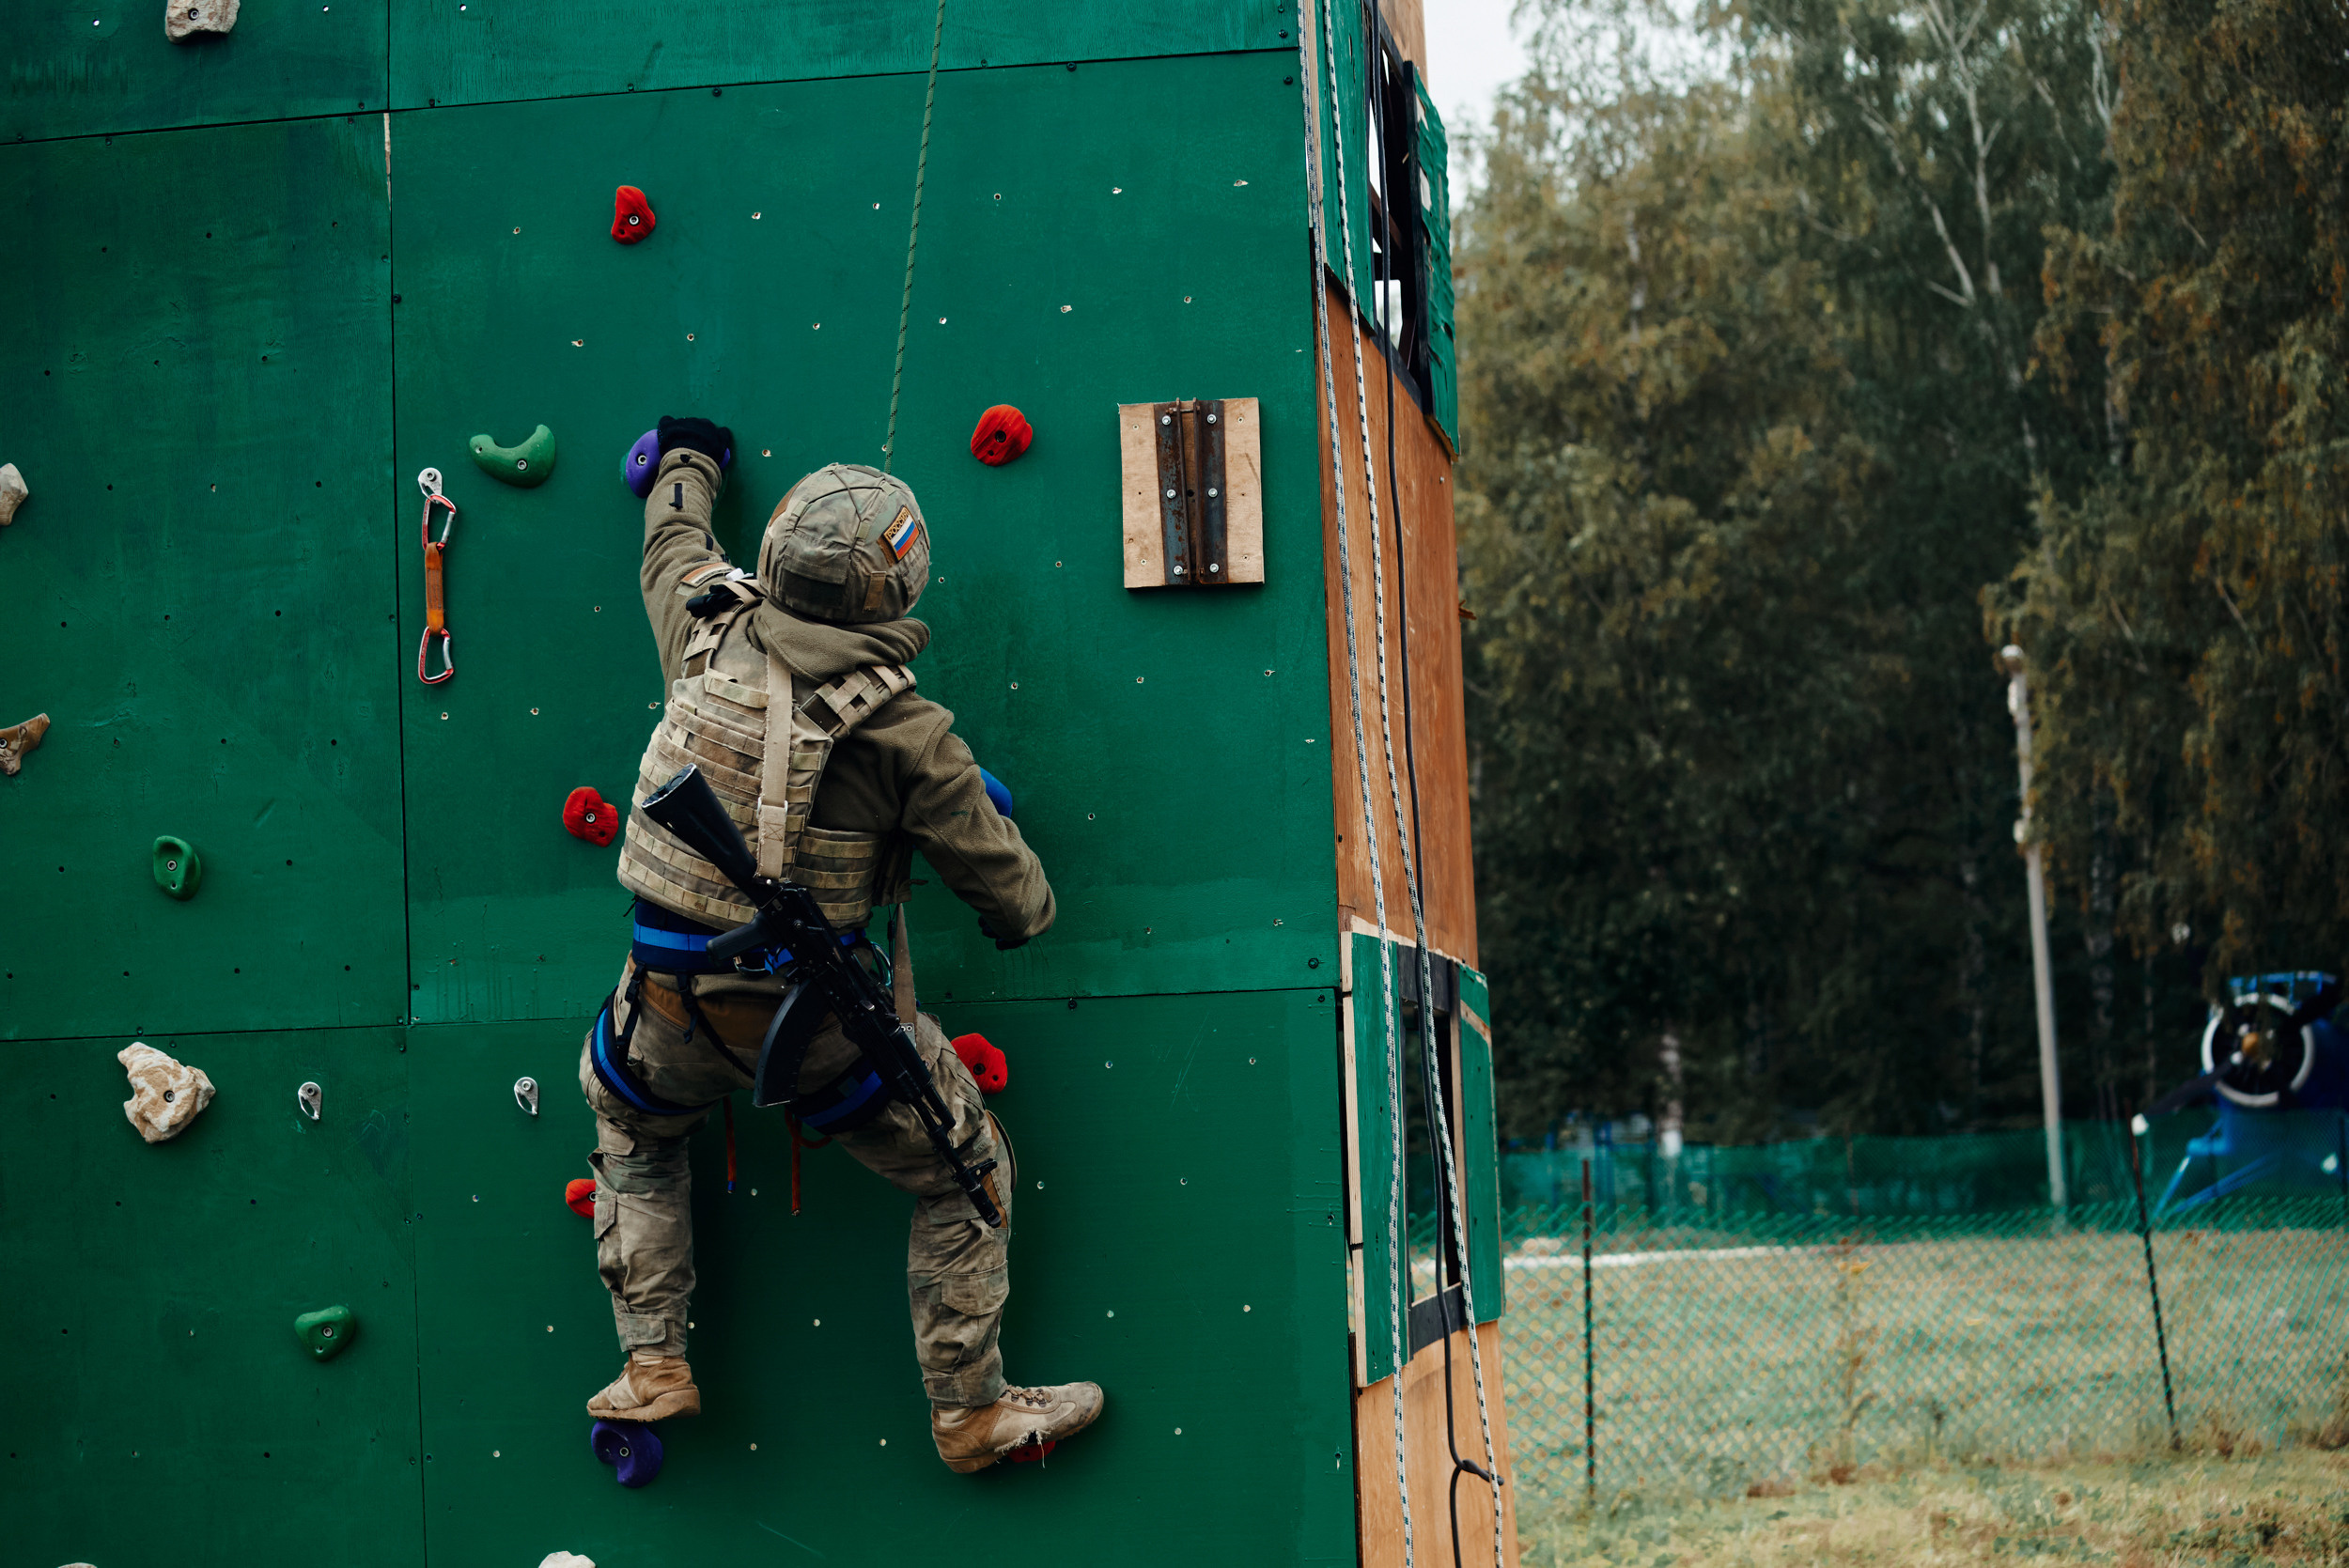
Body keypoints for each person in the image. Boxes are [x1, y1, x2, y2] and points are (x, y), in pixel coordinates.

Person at [576, 416, 1103, 1473]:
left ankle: (652, 1364)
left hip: (661, 1011)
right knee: (966, 1175)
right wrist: (963, 804)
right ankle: (969, 1412)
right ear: (897, 589)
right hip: (817, 1031)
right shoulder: (909, 735)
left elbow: (672, 545)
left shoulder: (702, 629)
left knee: (635, 1136)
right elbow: (1021, 910)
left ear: (771, 555)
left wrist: (687, 459)